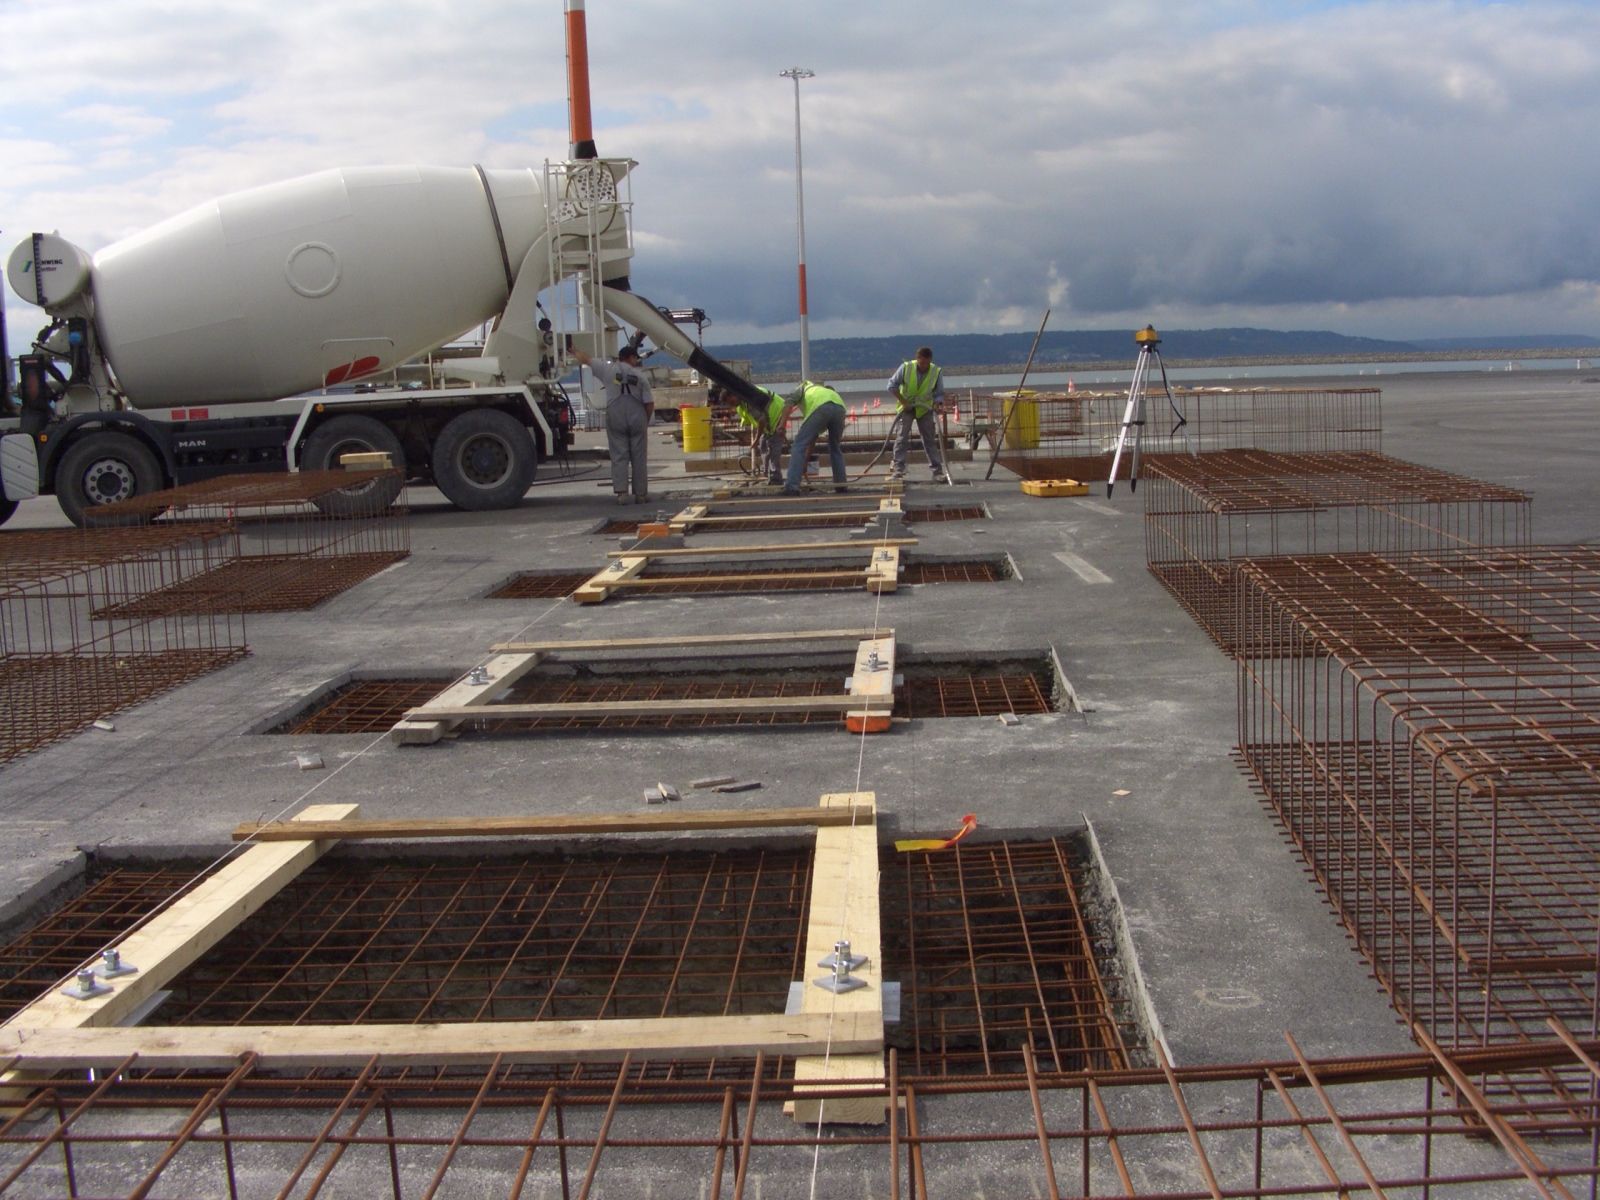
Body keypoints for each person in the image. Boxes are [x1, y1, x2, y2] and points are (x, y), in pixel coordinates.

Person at [573, 343, 653, 504]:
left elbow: (587, 360)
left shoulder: (607, 370)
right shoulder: (641, 377)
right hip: (637, 415)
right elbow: (649, 403)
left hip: (615, 415)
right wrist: (644, 420)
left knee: (619, 455)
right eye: (635, 358)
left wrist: (573, 350)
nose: (636, 361)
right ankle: (641, 494)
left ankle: (622, 493)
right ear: (631, 358)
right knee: (639, 457)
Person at [776, 381, 848, 495]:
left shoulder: (801, 388)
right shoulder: (821, 390)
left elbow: (788, 404)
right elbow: (812, 438)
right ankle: (841, 485)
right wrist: (805, 461)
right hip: (840, 407)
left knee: (797, 446)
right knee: (835, 448)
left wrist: (782, 425)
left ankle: (792, 487)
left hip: (821, 406)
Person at [887, 345, 947, 481]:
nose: (924, 366)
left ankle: (937, 471)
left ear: (930, 360)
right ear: (917, 359)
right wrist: (903, 402)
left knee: (929, 439)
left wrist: (937, 404)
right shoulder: (906, 368)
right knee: (901, 438)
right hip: (906, 408)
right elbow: (891, 386)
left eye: (927, 363)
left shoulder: (936, 371)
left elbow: (938, 393)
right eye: (922, 363)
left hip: (924, 409)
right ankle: (898, 469)